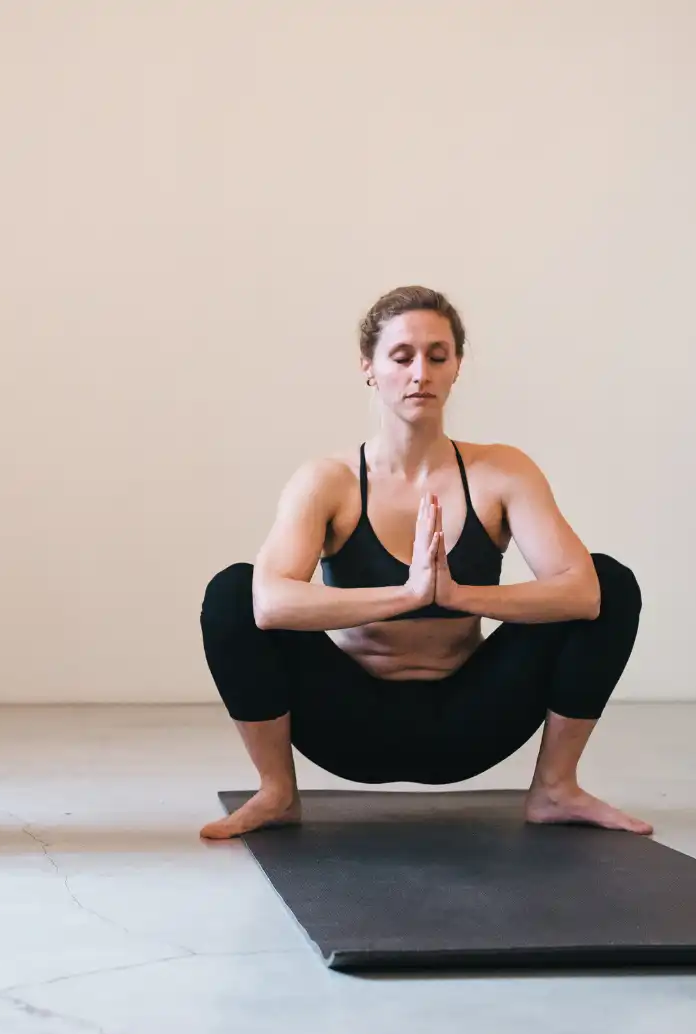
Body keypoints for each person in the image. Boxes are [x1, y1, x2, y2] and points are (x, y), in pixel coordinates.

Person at [199, 285, 648, 840]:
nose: (421, 373)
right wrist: (410, 595)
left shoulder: (502, 472)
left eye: (438, 356)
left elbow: (582, 592)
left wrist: (458, 596)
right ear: (369, 366)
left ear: (457, 367)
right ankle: (276, 791)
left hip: (472, 722)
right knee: (232, 591)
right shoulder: (328, 480)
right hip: (350, 725)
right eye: (402, 356)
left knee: (611, 581)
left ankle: (556, 787)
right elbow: (269, 604)